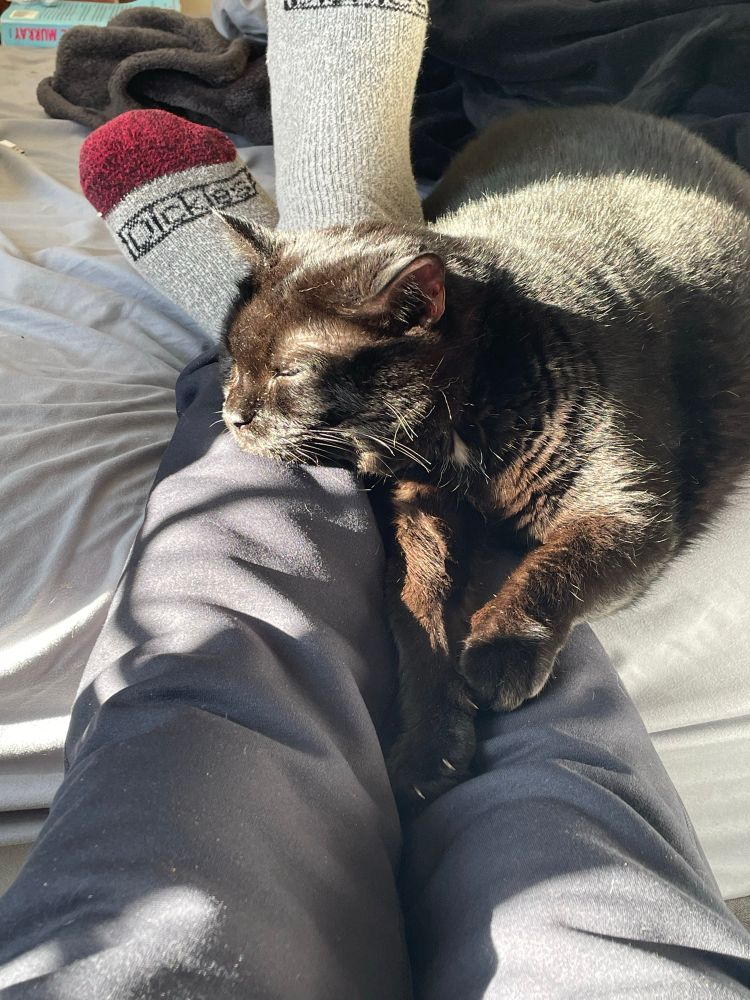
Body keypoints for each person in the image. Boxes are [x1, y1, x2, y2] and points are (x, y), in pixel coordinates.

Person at [1, 3, 750, 996]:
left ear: (417, 310)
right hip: (504, 233)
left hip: (532, 296)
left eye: (267, 375)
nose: (242, 410)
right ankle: (303, 256)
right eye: (245, 372)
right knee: (313, 465)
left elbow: (624, 516)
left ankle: (293, 267)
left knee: (225, 597)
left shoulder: (527, 366)